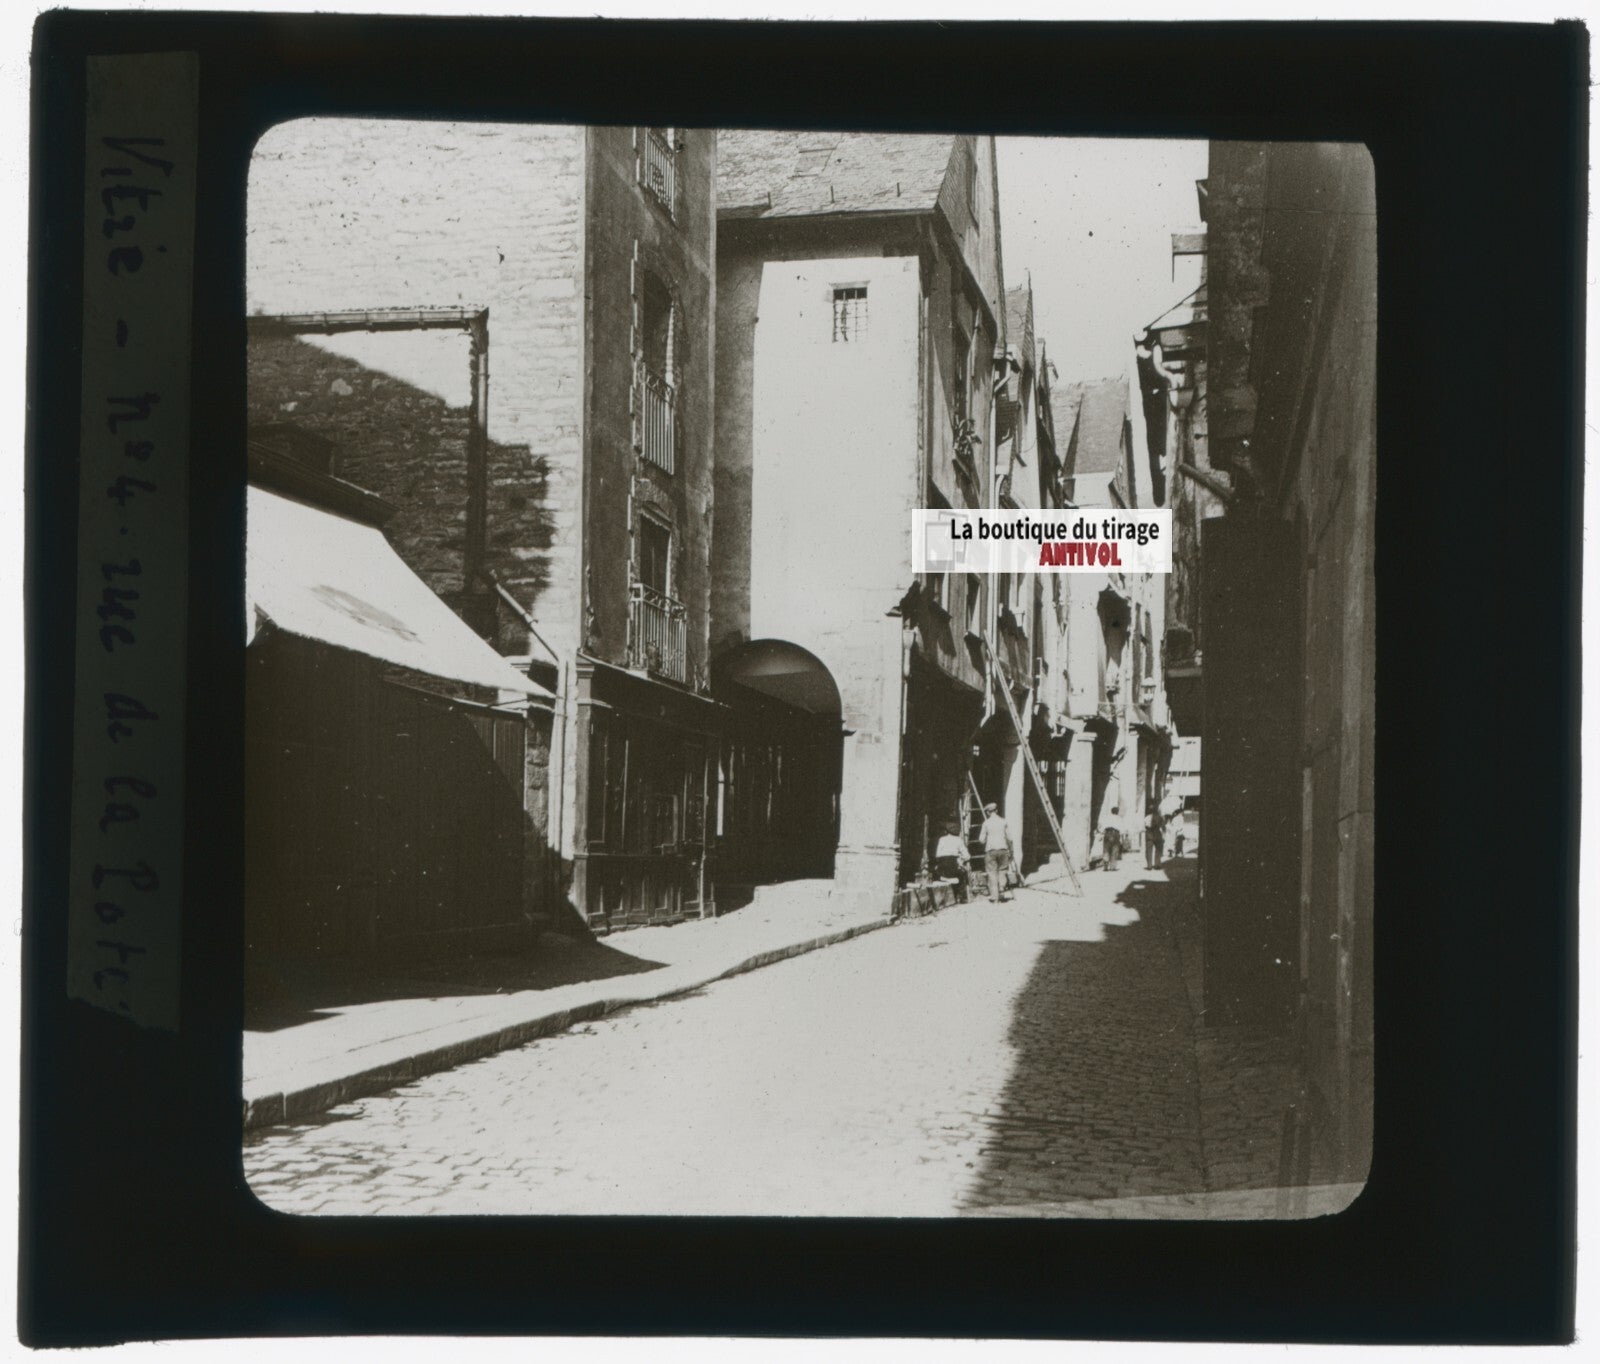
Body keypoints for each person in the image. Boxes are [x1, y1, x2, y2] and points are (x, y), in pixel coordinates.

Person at [978, 802, 1015, 903]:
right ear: (997, 811)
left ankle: (995, 898)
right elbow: (1010, 838)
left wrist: (986, 840)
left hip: (991, 850)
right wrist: (1011, 850)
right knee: (1002, 871)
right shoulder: (1004, 822)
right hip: (1003, 849)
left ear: (988, 812)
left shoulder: (986, 823)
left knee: (992, 874)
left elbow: (981, 840)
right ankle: (1002, 886)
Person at [933, 823, 970, 902]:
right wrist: (961, 859)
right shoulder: (958, 840)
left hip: (942, 868)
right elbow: (967, 856)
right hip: (953, 866)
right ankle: (963, 898)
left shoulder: (941, 839)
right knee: (962, 874)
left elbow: (937, 855)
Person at [1101, 806, 1124, 871]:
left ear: (1111, 811)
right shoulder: (1119, 818)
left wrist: (1103, 834)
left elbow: (1103, 827)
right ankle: (1112, 867)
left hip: (1107, 833)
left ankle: (1105, 866)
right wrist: (1121, 838)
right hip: (1115, 834)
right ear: (1117, 812)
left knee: (1106, 849)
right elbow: (1122, 829)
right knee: (1114, 850)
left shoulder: (1107, 818)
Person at [1144, 804, 1165, 868]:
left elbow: (1144, 826)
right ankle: (1157, 864)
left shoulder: (1146, 817)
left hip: (1149, 833)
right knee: (1158, 849)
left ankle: (1149, 865)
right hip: (1157, 834)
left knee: (1148, 850)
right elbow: (1163, 827)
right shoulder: (1160, 817)